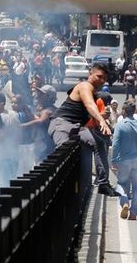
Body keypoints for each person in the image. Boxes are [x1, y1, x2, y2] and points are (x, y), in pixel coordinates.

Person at [47, 62, 117, 198]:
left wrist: (100, 118)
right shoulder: (85, 86)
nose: (102, 81)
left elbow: (89, 116)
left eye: (104, 79)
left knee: (99, 143)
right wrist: (102, 120)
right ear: (90, 73)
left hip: (78, 127)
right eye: (99, 76)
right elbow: (89, 105)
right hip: (61, 123)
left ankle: (103, 183)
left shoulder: (94, 93)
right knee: (64, 152)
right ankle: (55, 187)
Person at [112, 101, 137, 220]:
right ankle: (133, 213)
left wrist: (113, 160)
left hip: (124, 160)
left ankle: (125, 202)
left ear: (124, 111)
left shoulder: (120, 125)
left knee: (121, 184)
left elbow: (115, 144)